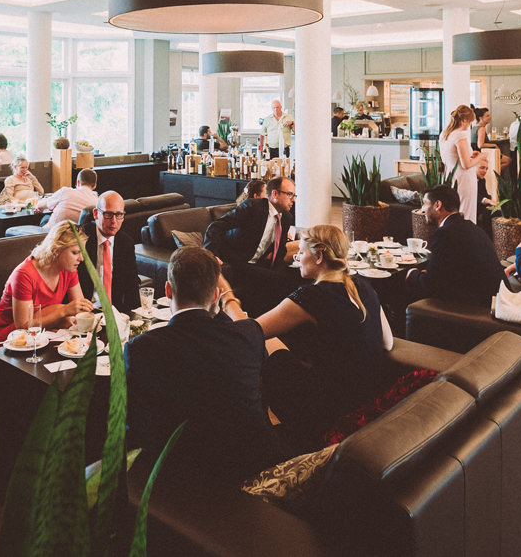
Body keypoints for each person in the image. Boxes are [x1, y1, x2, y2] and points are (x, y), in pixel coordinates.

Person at [125, 247, 281, 482]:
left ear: (168, 290)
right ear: (215, 295)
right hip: (250, 461)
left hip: (180, 473)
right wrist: (224, 300)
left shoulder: (140, 347)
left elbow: (136, 421)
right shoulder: (249, 335)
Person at [256, 225, 394, 448]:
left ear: (319, 257)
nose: (298, 258)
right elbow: (388, 343)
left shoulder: (311, 296)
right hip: (365, 397)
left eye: (301, 252)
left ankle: (274, 436)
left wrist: (229, 299)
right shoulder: (364, 286)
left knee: (267, 343)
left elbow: (252, 330)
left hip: (328, 406)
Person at [0, 223, 93, 349]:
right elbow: (22, 326)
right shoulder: (23, 275)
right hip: (5, 336)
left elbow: (80, 310)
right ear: (56, 249)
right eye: (75, 252)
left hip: (39, 332)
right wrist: (64, 311)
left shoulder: (68, 269)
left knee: (68, 323)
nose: (81, 259)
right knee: (61, 312)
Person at [203, 175, 300, 314]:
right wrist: (211, 254)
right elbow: (216, 226)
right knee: (278, 280)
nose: (294, 200)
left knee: (295, 276)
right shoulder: (253, 207)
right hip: (237, 260)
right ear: (275, 194)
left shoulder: (286, 218)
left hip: (258, 261)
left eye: (294, 195)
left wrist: (280, 267)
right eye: (290, 194)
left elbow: (281, 249)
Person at [405, 185, 502, 306]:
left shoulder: (444, 234)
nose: (422, 209)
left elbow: (431, 286)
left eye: (425, 203)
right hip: (492, 299)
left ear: (437, 205)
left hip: (475, 307)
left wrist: (412, 274)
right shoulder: (471, 227)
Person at [78, 190, 139, 312]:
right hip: (86, 311)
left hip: (115, 312)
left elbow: (132, 283)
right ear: (96, 214)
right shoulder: (81, 238)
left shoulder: (126, 242)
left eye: (119, 215)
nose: (114, 221)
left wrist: (135, 317)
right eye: (108, 214)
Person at [441, 104, 488, 223]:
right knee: (466, 212)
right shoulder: (460, 135)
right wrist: (481, 157)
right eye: (469, 122)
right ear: (464, 120)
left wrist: (472, 156)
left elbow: (451, 158)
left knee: (453, 212)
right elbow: (466, 165)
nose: (470, 125)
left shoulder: (445, 134)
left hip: (450, 176)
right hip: (464, 178)